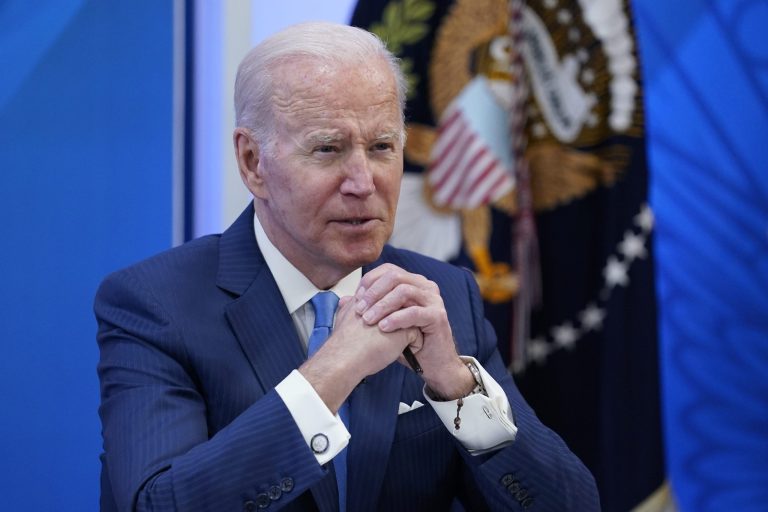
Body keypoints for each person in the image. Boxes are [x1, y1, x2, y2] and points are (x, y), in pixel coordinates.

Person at [95, 21, 599, 512]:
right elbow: (156, 503)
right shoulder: (156, 304)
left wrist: (457, 387)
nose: (363, 182)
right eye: (328, 149)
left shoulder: (445, 295)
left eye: (382, 147)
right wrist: (339, 366)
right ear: (252, 162)